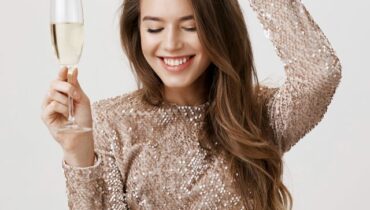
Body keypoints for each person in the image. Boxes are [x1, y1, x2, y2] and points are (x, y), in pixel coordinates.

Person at [41, 0, 342, 209]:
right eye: (155, 29)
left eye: (190, 26)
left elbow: (320, 73)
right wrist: (78, 152)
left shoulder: (255, 115)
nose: (171, 44)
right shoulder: (111, 122)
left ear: (218, 29)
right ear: (137, 33)